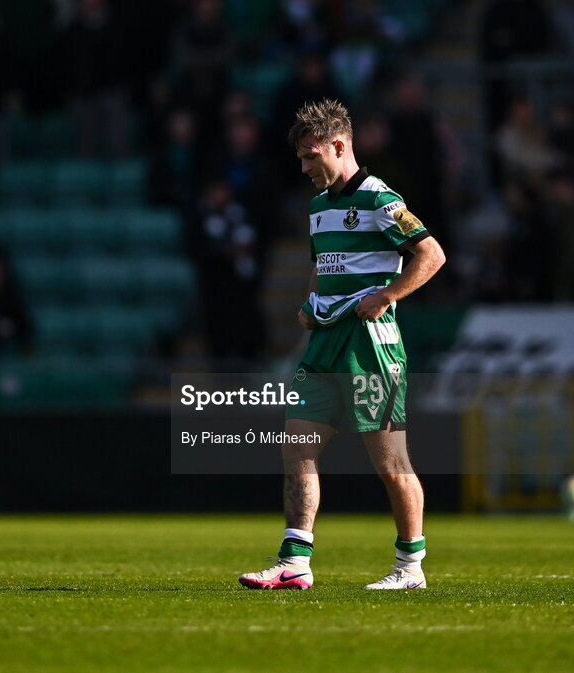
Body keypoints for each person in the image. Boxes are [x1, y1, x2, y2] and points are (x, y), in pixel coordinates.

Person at [239, 100, 445, 590]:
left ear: (339, 145)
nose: (306, 167)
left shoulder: (380, 199)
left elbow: (431, 254)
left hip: (370, 347)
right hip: (325, 344)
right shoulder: (317, 208)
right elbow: (323, 264)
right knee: (297, 449)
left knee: (391, 464)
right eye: (301, 160)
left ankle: (410, 567)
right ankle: (295, 562)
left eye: (312, 156)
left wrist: (389, 294)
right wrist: (312, 302)